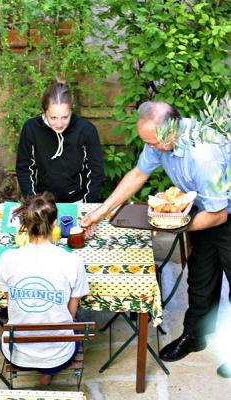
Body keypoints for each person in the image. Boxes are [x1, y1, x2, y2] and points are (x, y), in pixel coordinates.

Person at [80, 100, 231, 375]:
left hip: (223, 212)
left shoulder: (203, 155)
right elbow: (138, 174)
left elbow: (218, 216)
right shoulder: (158, 141)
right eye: (146, 142)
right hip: (206, 209)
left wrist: (172, 227)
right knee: (200, 277)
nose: (149, 147)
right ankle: (194, 336)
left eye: (152, 142)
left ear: (172, 132)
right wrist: (101, 212)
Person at [0, 192, 89, 385]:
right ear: (54, 224)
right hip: (59, 356)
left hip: (17, 355)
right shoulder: (73, 261)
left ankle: (40, 366)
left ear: (24, 226)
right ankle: (48, 372)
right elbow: (72, 311)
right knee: (68, 318)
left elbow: (10, 299)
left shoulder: (7, 259)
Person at [16, 81, 104, 203]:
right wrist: (33, 201)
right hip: (41, 201)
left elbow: (96, 171)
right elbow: (24, 168)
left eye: (65, 117)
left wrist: (87, 204)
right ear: (44, 111)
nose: (59, 124)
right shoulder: (31, 128)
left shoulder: (86, 130)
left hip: (78, 201)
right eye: (53, 118)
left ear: (71, 110)